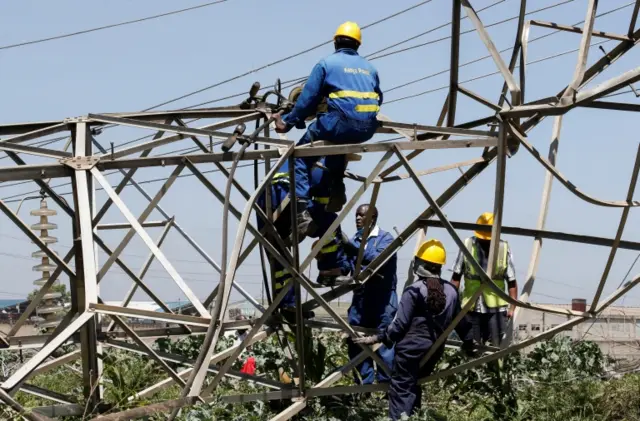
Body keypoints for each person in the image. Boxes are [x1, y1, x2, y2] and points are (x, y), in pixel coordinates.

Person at [273, 21, 383, 233]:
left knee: (300, 155)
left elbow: (307, 100)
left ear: (335, 42)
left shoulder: (326, 64)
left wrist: (286, 122)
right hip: (367, 129)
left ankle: (301, 212)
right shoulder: (370, 68)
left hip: (339, 124)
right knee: (335, 144)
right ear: (358, 45)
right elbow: (379, 97)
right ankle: (337, 187)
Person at [353, 239, 475, 420]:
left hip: (410, 351)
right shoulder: (451, 291)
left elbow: (399, 327)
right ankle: (414, 417)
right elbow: (461, 322)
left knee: (401, 388)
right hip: (434, 351)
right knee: (414, 385)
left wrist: (378, 338)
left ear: (420, 264)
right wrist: (469, 342)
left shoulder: (414, 291)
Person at [256, 157, 351, 321]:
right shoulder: (326, 163)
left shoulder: (305, 157)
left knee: (279, 255)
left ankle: (288, 306)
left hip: (265, 200)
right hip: (285, 196)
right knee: (330, 221)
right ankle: (329, 270)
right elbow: (323, 211)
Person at [342, 204, 397, 386]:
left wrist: (352, 250)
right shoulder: (354, 240)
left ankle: (384, 386)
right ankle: (365, 385)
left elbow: (376, 260)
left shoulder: (386, 239)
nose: (357, 218)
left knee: (384, 343)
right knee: (356, 340)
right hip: (361, 302)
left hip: (382, 301)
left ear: (372, 218)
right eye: (356, 215)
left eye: (361, 215)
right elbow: (346, 266)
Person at [451, 212, 518, 347]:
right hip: (470, 307)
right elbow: (456, 277)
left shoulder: (503, 248)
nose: (486, 241)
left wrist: (512, 308)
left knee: (495, 347)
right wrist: (451, 303)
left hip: (496, 310)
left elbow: (512, 282)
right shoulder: (467, 245)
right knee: (471, 347)